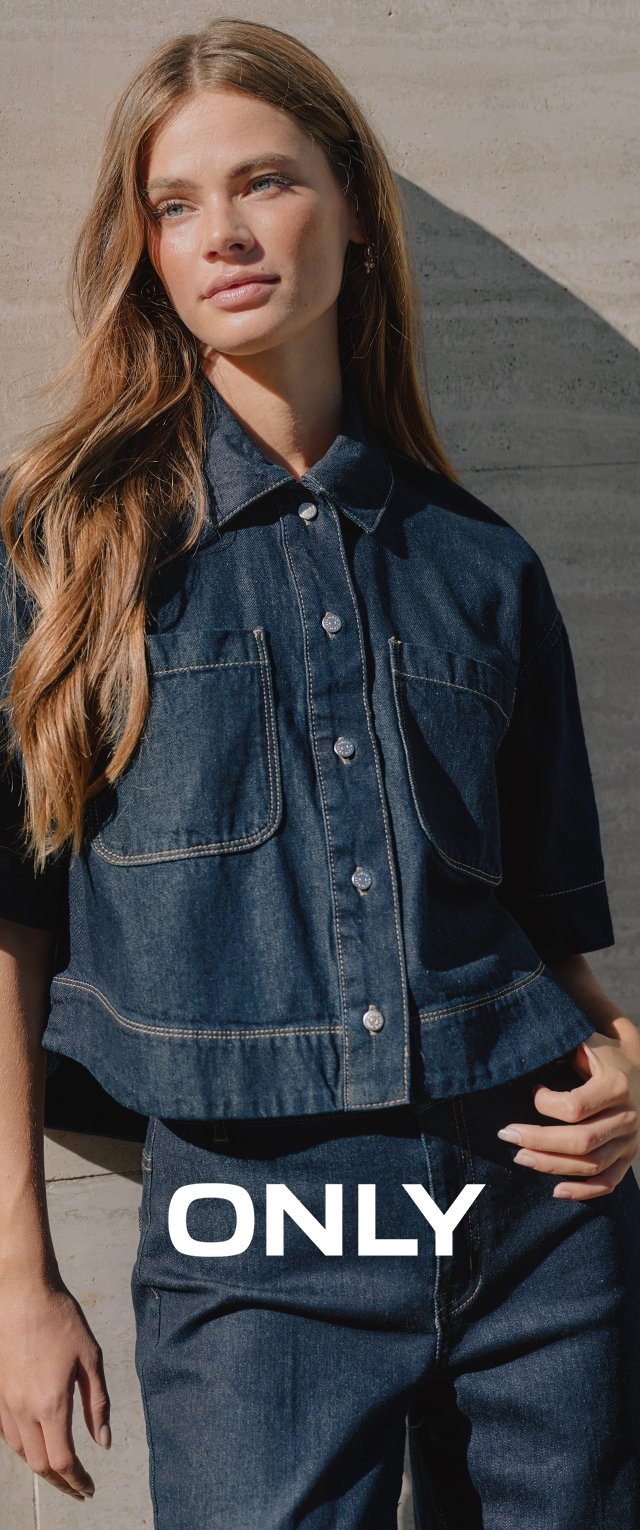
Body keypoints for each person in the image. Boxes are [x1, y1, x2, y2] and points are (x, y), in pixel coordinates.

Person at [0, 17, 638, 1529]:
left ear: (350, 204)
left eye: (267, 182)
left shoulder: (482, 565)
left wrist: (627, 1057)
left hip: (537, 1221)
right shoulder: (65, 557)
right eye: (175, 203)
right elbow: (10, 939)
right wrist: (20, 1283)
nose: (222, 231)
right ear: (144, 247)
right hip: (250, 1228)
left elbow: (552, 934)